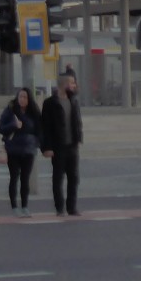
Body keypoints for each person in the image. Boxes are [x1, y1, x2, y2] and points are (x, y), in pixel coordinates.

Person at [41, 69, 83, 216]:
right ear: (64, 84)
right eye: (72, 83)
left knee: (74, 177)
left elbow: (77, 121)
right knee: (58, 178)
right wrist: (46, 147)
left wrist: (79, 138)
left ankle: (72, 207)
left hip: (72, 145)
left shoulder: (74, 101)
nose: (74, 85)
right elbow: (45, 127)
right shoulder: (50, 103)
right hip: (58, 147)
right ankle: (60, 208)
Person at [0, 88, 41, 217]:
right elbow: (0, 128)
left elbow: (39, 130)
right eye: (20, 97)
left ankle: (25, 206)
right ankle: (15, 207)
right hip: (13, 149)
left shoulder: (33, 112)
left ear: (29, 99)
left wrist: (37, 144)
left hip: (28, 150)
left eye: (25, 97)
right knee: (14, 177)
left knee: (25, 179)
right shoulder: (10, 110)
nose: (22, 99)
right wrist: (13, 125)